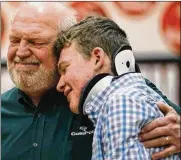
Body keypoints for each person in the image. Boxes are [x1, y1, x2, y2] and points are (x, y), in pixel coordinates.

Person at [1, 2, 180, 160]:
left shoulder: (111, 96)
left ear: (64, 46)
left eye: (36, 42)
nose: (21, 52)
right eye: (15, 41)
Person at [55, 16, 180, 159]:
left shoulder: (121, 103)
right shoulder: (129, 98)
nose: (60, 84)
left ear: (97, 58)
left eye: (65, 69)